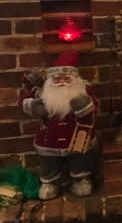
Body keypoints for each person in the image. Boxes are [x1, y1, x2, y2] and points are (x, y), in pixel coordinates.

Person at [18, 51, 99, 200]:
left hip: (77, 135)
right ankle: (50, 182)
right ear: (51, 80)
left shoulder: (83, 90)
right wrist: (34, 106)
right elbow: (24, 101)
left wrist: (85, 107)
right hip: (49, 138)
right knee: (48, 162)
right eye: (57, 79)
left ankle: (81, 179)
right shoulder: (42, 92)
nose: (62, 82)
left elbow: (95, 106)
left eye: (66, 79)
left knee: (80, 159)